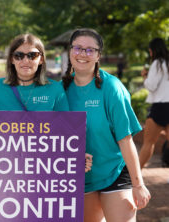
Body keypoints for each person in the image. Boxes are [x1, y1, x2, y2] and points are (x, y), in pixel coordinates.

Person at [0, 33, 93, 213]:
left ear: (41, 59)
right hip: (4, 177)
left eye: (32, 55)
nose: (25, 60)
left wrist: (78, 155)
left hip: (44, 177)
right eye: (19, 55)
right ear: (12, 60)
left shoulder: (55, 90)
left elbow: (67, 133)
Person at [62, 28, 151, 222]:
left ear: (98, 55)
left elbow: (126, 140)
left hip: (114, 172)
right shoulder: (61, 91)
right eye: (77, 48)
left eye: (89, 50)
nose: (82, 54)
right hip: (80, 178)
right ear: (70, 51)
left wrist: (138, 184)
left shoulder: (112, 88)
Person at [139, 38, 169, 168]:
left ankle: (134, 176)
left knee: (148, 143)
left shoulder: (157, 63)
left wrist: (145, 76)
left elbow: (151, 86)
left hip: (160, 106)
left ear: (153, 50)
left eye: (150, 51)